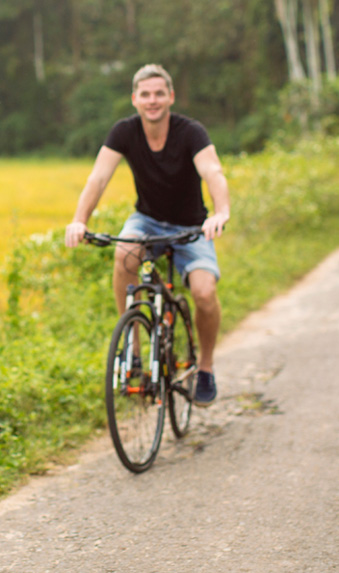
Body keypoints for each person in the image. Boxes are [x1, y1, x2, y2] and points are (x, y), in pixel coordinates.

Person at [64, 64, 231, 406]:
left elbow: (212, 170)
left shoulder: (191, 132)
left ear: (170, 97)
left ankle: (206, 368)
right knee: (124, 254)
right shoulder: (124, 132)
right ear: (134, 99)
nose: (152, 101)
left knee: (203, 292)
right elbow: (97, 178)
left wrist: (221, 212)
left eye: (158, 94)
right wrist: (79, 220)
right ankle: (134, 348)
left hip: (191, 227)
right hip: (148, 220)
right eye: (145, 94)